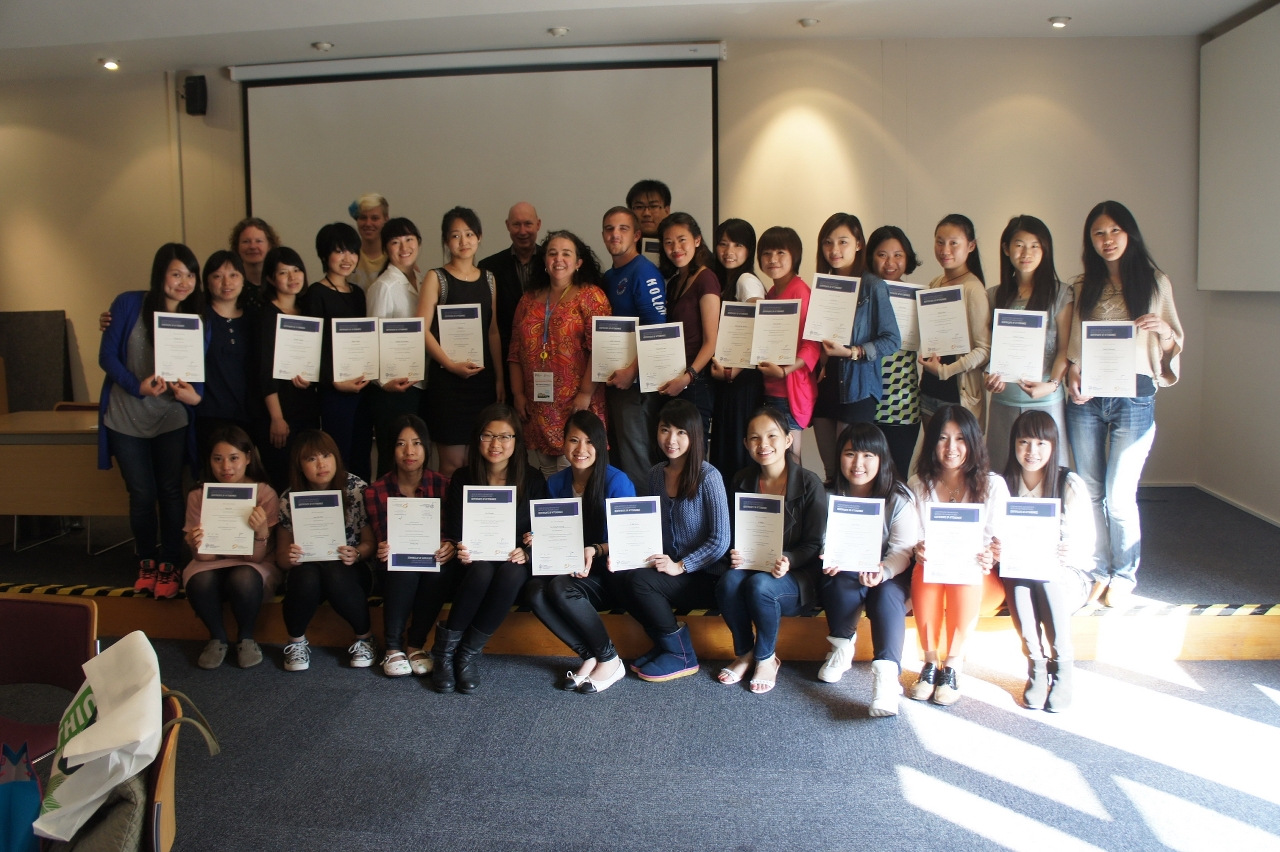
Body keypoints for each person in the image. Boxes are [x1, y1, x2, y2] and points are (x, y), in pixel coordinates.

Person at [1066, 201, 1183, 608]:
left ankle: (1123, 572)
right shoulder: (1081, 286)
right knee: (1090, 490)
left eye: (1115, 231)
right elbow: (1072, 346)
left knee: (1118, 495)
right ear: (1090, 241)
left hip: (1134, 399)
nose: (1107, 240)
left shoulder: (1155, 283)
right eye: (1099, 233)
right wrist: (1072, 373)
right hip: (1088, 401)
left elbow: (1171, 346)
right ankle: (1097, 568)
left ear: (1129, 233)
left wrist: (1165, 331)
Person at [98, 243, 206, 599]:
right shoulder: (129, 303)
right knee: (142, 493)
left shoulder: (197, 320)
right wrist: (135, 385)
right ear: (161, 275)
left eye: (191, 275)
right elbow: (107, 356)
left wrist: (193, 394)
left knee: (171, 490)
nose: (184, 282)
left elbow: (197, 379)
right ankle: (146, 558)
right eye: (176, 273)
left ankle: (170, 561)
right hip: (126, 416)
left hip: (171, 417)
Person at [432, 404, 547, 693]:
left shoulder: (532, 479)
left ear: (516, 441)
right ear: (477, 438)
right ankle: (444, 654)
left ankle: (466, 654)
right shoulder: (462, 478)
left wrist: (529, 550)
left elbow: (542, 529)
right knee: (482, 570)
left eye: (505, 437)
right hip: (473, 562)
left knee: (510, 573)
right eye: (488, 436)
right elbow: (457, 529)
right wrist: (460, 547)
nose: (496, 444)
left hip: (514, 563)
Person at [615, 400, 729, 682]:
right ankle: (665, 645)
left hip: (704, 575)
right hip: (669, 568)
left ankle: (681, 654)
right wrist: (626, 553)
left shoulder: (708, 477)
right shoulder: (655, 474)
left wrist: (681, 565)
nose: (671, 439)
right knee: (620, 576)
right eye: (665, 430)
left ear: (694, 436)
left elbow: (720, 540)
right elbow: (650, 525)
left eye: (681, 432)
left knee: (640, 583)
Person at [525, 409, 637, 693]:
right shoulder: (555, 483)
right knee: (533, 591)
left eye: (590, 441)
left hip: (608, 573)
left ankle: (610, 659)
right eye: (574, 440)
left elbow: (632, 539)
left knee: (562, 587)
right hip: (570, 569)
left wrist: (595, 550)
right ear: (563, 444)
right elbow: (551, 531)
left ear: (602, 445)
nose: (581, 449)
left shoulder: (617, 482)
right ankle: (588, 656)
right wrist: (536, 538)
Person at [715, 407, 826, 693]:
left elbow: (814, 543)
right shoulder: (742, 480)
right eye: (754, 438)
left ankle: (766, 657)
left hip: (797, 574)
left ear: (788, 440)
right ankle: (745, 653)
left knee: (760, 586)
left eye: (772, 436)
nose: (763, 445)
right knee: (728, 581)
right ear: (746, 444)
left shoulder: (810, 483)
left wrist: (789, 559)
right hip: (754, 564)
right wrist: (735, 552)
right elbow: (732, 532)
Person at [907, 404, 1008, 706]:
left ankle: (952, 664)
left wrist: (992, 554)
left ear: (973, 442)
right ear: (932, 443)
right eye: (943, 438)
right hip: (933, 577)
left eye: (960, 438)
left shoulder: (993, 485)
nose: (951, 448)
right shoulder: (918, 485)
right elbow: (912, 537)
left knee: (968, 573)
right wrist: (918, 548)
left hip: (980, 584)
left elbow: (1000, 542)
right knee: (923, 571)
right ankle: (929, 662)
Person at [993, 411, 1094, 711]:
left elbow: (1088, 549)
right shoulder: (1002, 484)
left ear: (1053, 446)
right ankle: (1036, 665)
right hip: (1020, 573)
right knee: (1019, 579)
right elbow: (992, 536)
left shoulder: (1068, 483)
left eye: (1040, 443)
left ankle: (1063, 667)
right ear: (1013, 445)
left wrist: (1069, 551)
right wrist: (997, 549)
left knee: (1046, 578)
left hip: (1065, 577)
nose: (1031, 452)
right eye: (1023, 442)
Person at [816, 423, 918, 716]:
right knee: (838, 581)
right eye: (850, 454)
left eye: (867, 456)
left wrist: (883, 571)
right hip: (846, 568)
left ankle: (886, 679)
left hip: (890, 573)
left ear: (881, 458)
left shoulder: (899, 498)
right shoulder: (828, 495)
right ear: (839, 458)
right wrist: (829, 557)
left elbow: (902, 550)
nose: (858, 464)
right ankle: (842, 647)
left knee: (886, 595)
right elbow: (823, 539)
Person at [507, 231, 612, 478]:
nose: (558, 259)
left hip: (578, 401)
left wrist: (586, 393)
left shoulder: (591, 296)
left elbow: (602, 349)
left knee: (575, 470)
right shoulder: (528, 300)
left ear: (578, 262)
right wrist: (518, 393)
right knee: (545, 473)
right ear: (543, 260)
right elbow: (514, 350)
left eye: (566, 253)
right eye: (552, 253)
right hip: (537, 404)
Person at [363, 415, 457, 677]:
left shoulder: (444, 486)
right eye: (401, 444)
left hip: (433, 559)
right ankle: (392, 648)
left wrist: (449, 544)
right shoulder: (375, 491)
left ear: (426, 447)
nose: (409, 451)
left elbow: (452, 530)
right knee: (402, 568)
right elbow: (381, 536)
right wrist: (383, 547)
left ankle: (416, 645)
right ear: (391, 450)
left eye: (416, 443)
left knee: (439, 569)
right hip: (396, 564)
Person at [812, 213, 902, 486]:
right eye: (828, 243)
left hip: (858, 388)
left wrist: (852, 352)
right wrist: (823, 354)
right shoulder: (823, 285)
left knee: (851, 474)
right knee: (830, 473)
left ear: (859, 244)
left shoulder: (873, 286)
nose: (834, 250)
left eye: (843, 242)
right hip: (826, 385)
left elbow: (892, 340)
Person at [276, 430, 377, 671]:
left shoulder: (356, 488)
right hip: (308, 571)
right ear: (299, 466)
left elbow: (370, 543)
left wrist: (358, 553)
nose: (321, 464)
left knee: (334, 571)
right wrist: (290, 558)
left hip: (349, 570)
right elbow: (281, 558)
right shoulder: (289, 498)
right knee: (306, 576)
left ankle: (365, 638)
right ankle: (296, 643)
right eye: (311, 459)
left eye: (326, 455)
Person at [182, 426, 279, 670]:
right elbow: (203, 556)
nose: (226, 467)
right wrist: (197, 543)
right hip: (212, 560)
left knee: (244, 577)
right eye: (218, 459)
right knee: (200, 580)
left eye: (234, 458)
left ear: (248, 457)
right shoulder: (198, 495)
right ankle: (217, 638)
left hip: (254, 561)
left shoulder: (265, 493)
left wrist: (261, 532)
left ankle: (246, 638)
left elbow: (256, 558)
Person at [417, 207, 504, 477]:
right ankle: (450, 518)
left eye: (468, 234)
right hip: (448, 384)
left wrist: (499, 378)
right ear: (446, 241)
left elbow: (492, 332)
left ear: (479, 237)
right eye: (455, 235)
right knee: (452, 464)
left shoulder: (489, 279)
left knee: (482, 461)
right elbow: (420, 330)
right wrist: (451, 365)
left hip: (482, 382)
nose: (463, 241)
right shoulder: (436, 278)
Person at [985, 216, 1073, 471]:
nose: (1027, 253)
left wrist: (1052, 384)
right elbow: (988, 351)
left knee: (1049, 478)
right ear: (1006, 249)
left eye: (1035, 245)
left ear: (1045, 250)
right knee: (1001, 477)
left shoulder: (1061, 293)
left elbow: (1065, 348)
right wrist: (988, 377)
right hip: (1004, 403)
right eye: (1019, 245)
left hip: (1047, 402)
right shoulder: (994, 295)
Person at [600, 205, 667, 494]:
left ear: (637, 234)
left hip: (636, 387)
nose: (615, 234)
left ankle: (644, 532)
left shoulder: (644, 272)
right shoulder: (609, 276)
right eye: (609, 229)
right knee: (620, 461)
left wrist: (632, 371)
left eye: (623, 228)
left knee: (637, 461)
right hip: (614, 384)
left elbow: (657, 331)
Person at [303, 222, 374, 483]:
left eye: (352, 251)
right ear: (324, 255)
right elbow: (312, 349)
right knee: (336, 457)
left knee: (362, 455)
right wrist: (334, 381)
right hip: (334, 392)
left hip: (363, 390)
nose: (348, 259)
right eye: (339, 251)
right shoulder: (316, 294)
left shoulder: (357, 293)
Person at [257, 246, 321, 493]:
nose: (293, 277)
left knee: (307, 479)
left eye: (297, 270)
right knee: (285, 481)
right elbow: (264, 372)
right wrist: (277, 418)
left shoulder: (307, 311)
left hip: (306, 408)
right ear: (271, 279)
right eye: (284, 272)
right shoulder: (266, 315)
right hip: (279, 414)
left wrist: (310, 380)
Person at [366, 218, 425, 477]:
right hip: (393, 389)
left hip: (420, 385)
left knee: (417, 459)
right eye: (395, 242)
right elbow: (371, 341)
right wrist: (382, 382)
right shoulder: (384, 286)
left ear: (419, 242)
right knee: (394, 461)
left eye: (409, 239)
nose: (404, 247)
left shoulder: (424, 280)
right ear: (385, 249)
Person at [919, 215, 991, 429]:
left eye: (953, 243)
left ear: (971, 246)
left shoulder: (973, 289)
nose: (945, 249)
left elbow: (984, 350)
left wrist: (945, 371)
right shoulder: (935, 284)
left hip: (958, 396)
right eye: (940, 242)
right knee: (931, 460)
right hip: (929, 391)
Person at [709, 218, 766, 481]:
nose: (728, 251)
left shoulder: (746, 280)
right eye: (723, 243)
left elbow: (759, 327)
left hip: (742, 380)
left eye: (737, 244)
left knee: (736, 450)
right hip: (728, 377)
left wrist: (734, 372)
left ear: (749, 249)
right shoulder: (725, 281)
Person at [756, 227, 820, 456]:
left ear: (795, 256)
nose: (773, 259)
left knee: (790, 460)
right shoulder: (771, 294)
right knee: (773, 461)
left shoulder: (800, 292)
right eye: (766, 253)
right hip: (769, 389)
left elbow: (812, 345)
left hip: (790, 392)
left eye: (780, 252)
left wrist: (784, 371)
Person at [655, 212, 720, 434]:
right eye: (668, 242)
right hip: (671, 379)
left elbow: (711, 341)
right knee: (671, 451)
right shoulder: (673, 282)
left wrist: (687, 377)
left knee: (693, 454)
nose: (675, 248)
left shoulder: (706, 278)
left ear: (697, 240)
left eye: (682, 239)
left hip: (695, 382)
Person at [870, 226, 926, 479]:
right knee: (864, 477)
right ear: (871, 256)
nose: (890, 262)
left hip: (902, 401)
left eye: (898, 255)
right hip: (866, 399)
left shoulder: (920, 297)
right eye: (882, 254)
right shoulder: (862, 293)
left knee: (897, 477)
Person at [194, 250, 259, 460]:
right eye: (217, 276)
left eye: (233, 275)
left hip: (249, 417)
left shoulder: (255, 319)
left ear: (243, 280)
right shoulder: (197, 318)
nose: (226, 282)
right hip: (208, 415)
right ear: (207, 281)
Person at [479, 201, 545, 389]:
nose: (522, 231)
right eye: (516, 224)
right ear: (507, 226)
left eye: (528, 224)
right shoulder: (488, 268)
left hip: (546, 362)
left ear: (538, 224)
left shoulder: (554, 263)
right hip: (505, 363)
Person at [348, 193, 389, 292]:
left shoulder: (396, 257)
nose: (368, 223)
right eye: (363, 218)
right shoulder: (347, 256)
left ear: (386, 220)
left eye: (375, 218)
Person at [229, 217, 280, 297]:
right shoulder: (229, 286)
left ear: (269, 245)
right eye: (246, 241)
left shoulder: (280, 283)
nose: (252, 246)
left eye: (259, 241)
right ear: (237, 246)